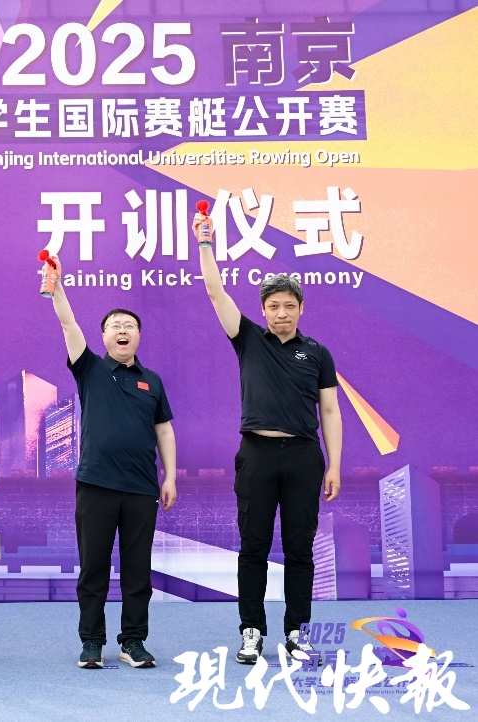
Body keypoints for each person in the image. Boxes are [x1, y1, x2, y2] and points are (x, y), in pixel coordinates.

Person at [194, 210, 342, 665]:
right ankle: (252, 631)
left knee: (300, 549)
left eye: (289, 306)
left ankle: (297, 632)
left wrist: (334, 464)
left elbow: (330, 410)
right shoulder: (248, 339)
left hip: (303, 456)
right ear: (263, 310)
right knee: (253, 547)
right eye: (274, 306)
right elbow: (215, 291)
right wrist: (205, 244)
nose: (281, 313)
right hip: (256, 454)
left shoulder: (317, 353)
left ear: (301, 309)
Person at [46, 254, 177, 670]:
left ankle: (133, 641)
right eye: (115, 326)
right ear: (103, 337)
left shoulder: (152, 380)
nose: (122, 330)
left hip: (141, 488)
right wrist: (57, 286)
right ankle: (91, 642)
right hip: (96, 485)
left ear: (139, 336)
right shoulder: (89, 370)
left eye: (129, 326)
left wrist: (170, 477)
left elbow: (164, 431)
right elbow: (68, 323)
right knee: (94, 569)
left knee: (138, 571)